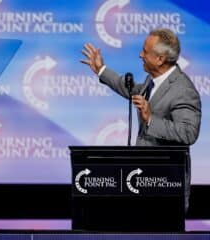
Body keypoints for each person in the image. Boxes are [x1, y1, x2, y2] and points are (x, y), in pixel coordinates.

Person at [80, 28, 201, 210]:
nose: (140, 55)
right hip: (143, 181)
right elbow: (133, 90)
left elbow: (189, 133)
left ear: (160, 59)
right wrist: (101, 70)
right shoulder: (152, 80)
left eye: (145, 51)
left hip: (166, 186)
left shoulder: (183, 90)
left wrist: (151, 119)